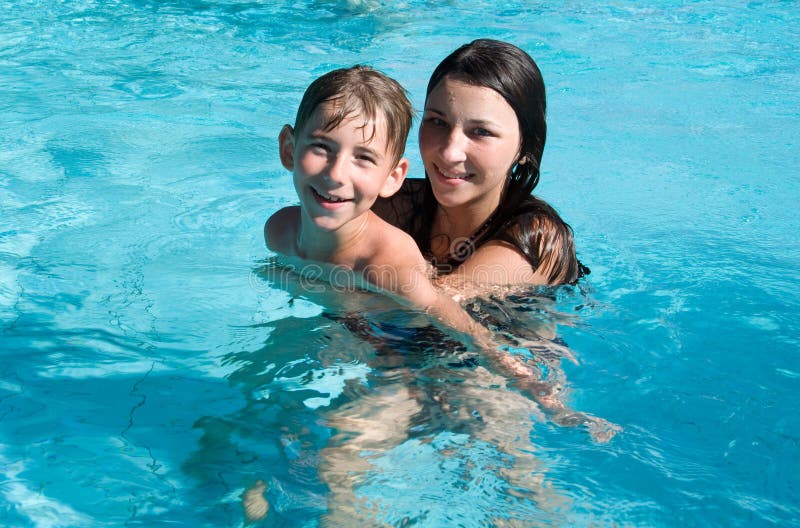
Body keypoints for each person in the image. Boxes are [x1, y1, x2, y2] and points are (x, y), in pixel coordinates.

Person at [264, 65, 484, 337]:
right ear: (288, 149)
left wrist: (511, 369)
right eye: (321, 147)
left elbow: (451, 318)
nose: (336, 174)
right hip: (349, 323)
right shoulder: (279, 231)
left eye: (363, 158)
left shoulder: (386, 263)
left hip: (414, 340)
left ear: (392, 177)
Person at [373, 38, 589, 288]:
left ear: (526, 148)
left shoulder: (537, 240)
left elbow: (433, 307)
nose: (450, 152)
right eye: (437, 122)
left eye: (481, 132)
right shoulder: (397, 203)